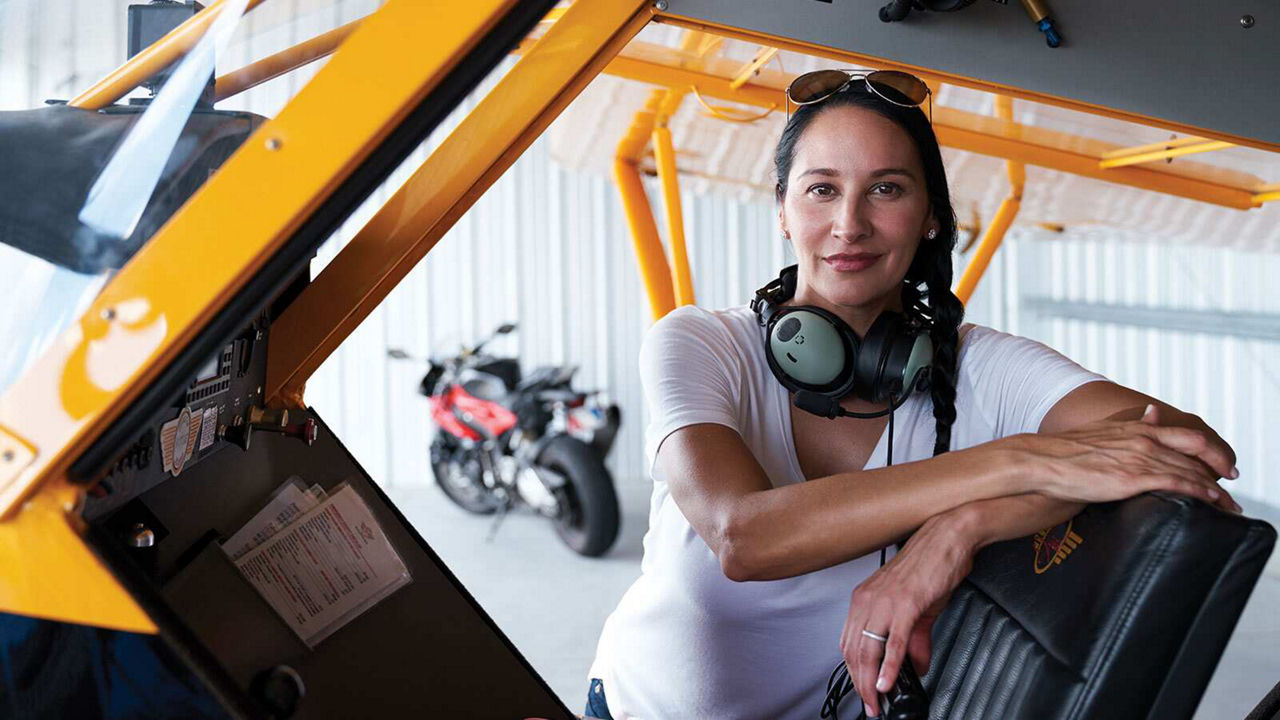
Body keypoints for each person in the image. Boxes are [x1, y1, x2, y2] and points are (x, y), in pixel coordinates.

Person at [585, 70, 1239, 720]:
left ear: (929, 217)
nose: (850, 223)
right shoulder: (700, 343)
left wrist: (964, 527)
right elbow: (745, 537)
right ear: (783, 211)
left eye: (886, 189)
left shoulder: (981, 368)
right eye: (821, 190)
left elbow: (1187, 447)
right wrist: (1018, 462)